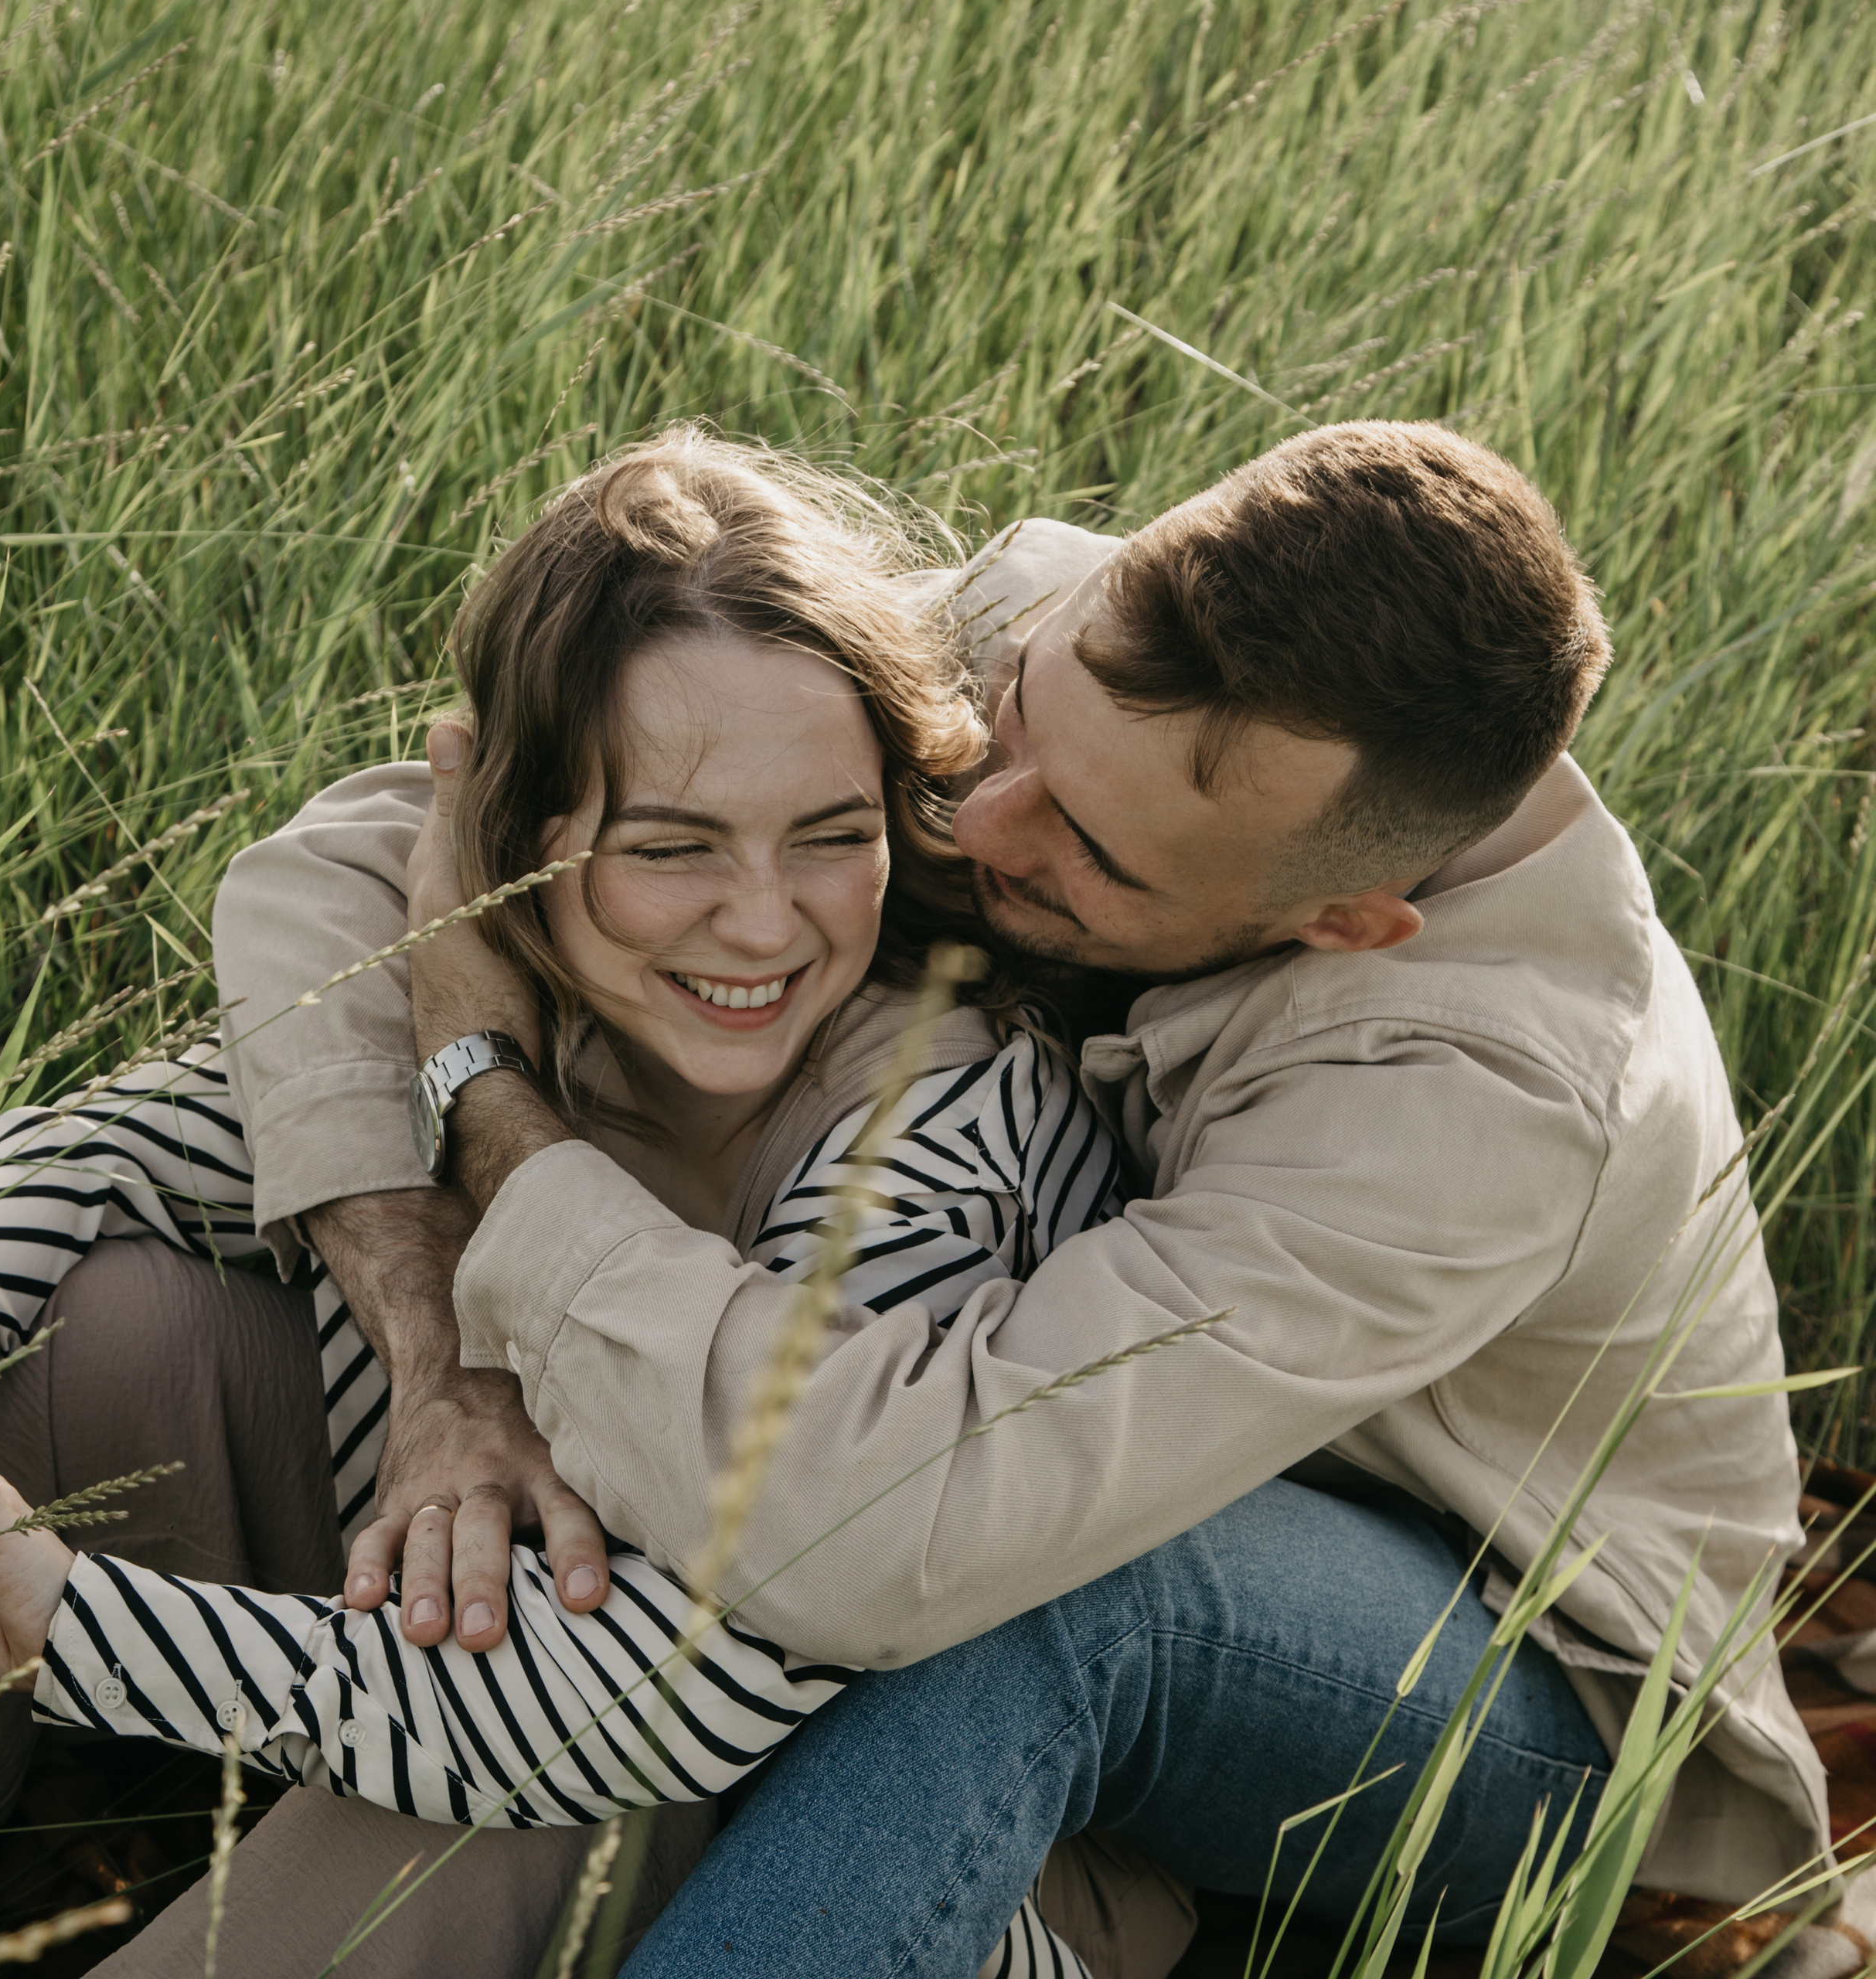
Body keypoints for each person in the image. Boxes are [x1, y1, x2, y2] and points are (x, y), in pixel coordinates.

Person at [187, 418, 1822, 1973]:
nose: (975, 816)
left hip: (1493, 1680)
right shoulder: (1082, 652)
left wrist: (482, 1089)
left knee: (1043, 1600)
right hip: (1040, 1412)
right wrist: (442, 1351)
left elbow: (875, 1532)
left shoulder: (1485, 1100)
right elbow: (369, 862)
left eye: (1092, 854)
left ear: (1344, 921)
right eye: (1017, 712)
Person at [0, 431, 1139, 1978]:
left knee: (524, 1701)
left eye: (831, 837)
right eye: (672, 845)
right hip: (480, 1634)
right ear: (520, 835)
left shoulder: (938, 1127)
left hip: (790, 1803)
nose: (761, 920)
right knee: (73, 1338)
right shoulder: (494, 974)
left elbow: (640, 1694)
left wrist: (73, 1623)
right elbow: (101, 1154)